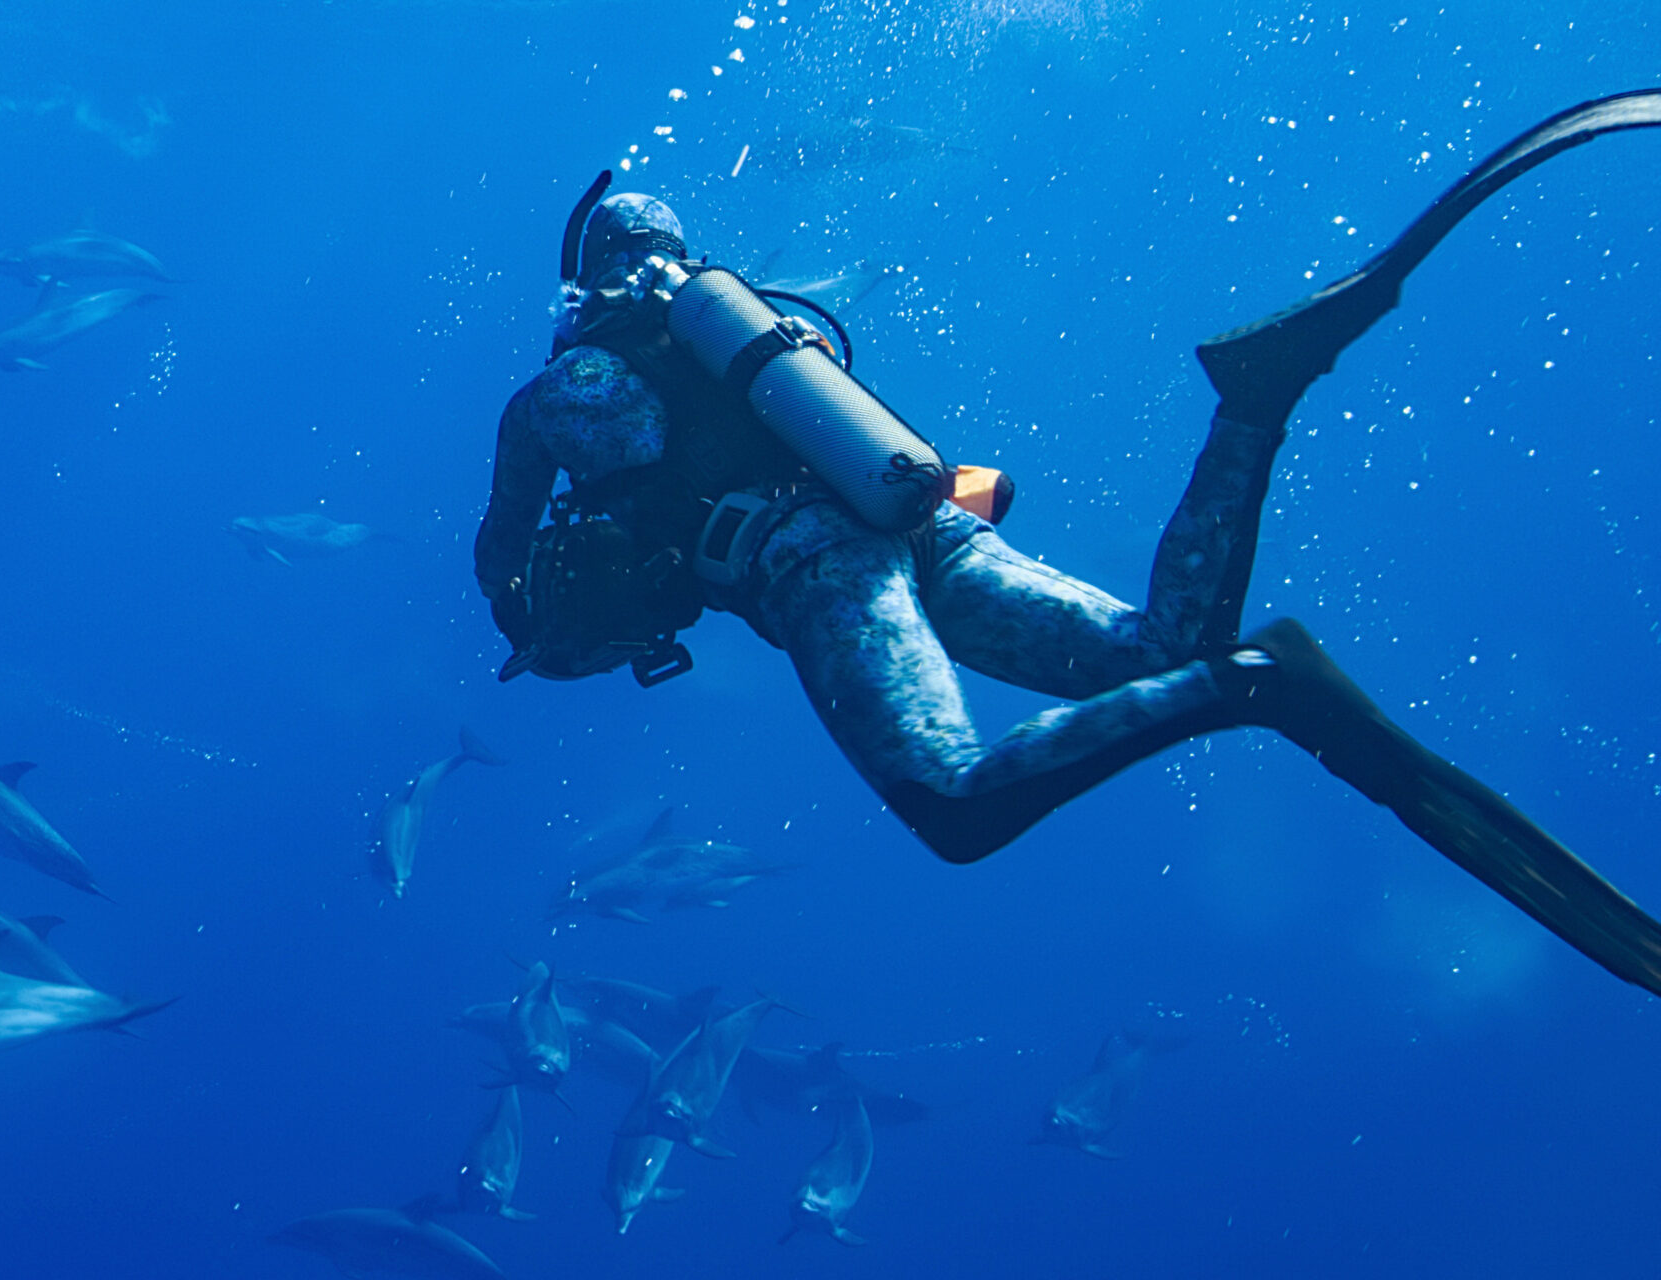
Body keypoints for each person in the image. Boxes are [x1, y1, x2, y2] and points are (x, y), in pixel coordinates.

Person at [475, 92, 1661, 994]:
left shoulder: (552, 395)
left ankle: (1261, 682)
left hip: (815, 570)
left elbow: (503, 564)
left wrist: (538, 624)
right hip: (923, 523)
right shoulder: (753, 322)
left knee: (951, 802)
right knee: (1158, 651)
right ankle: (1251, 406)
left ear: (582, 277)